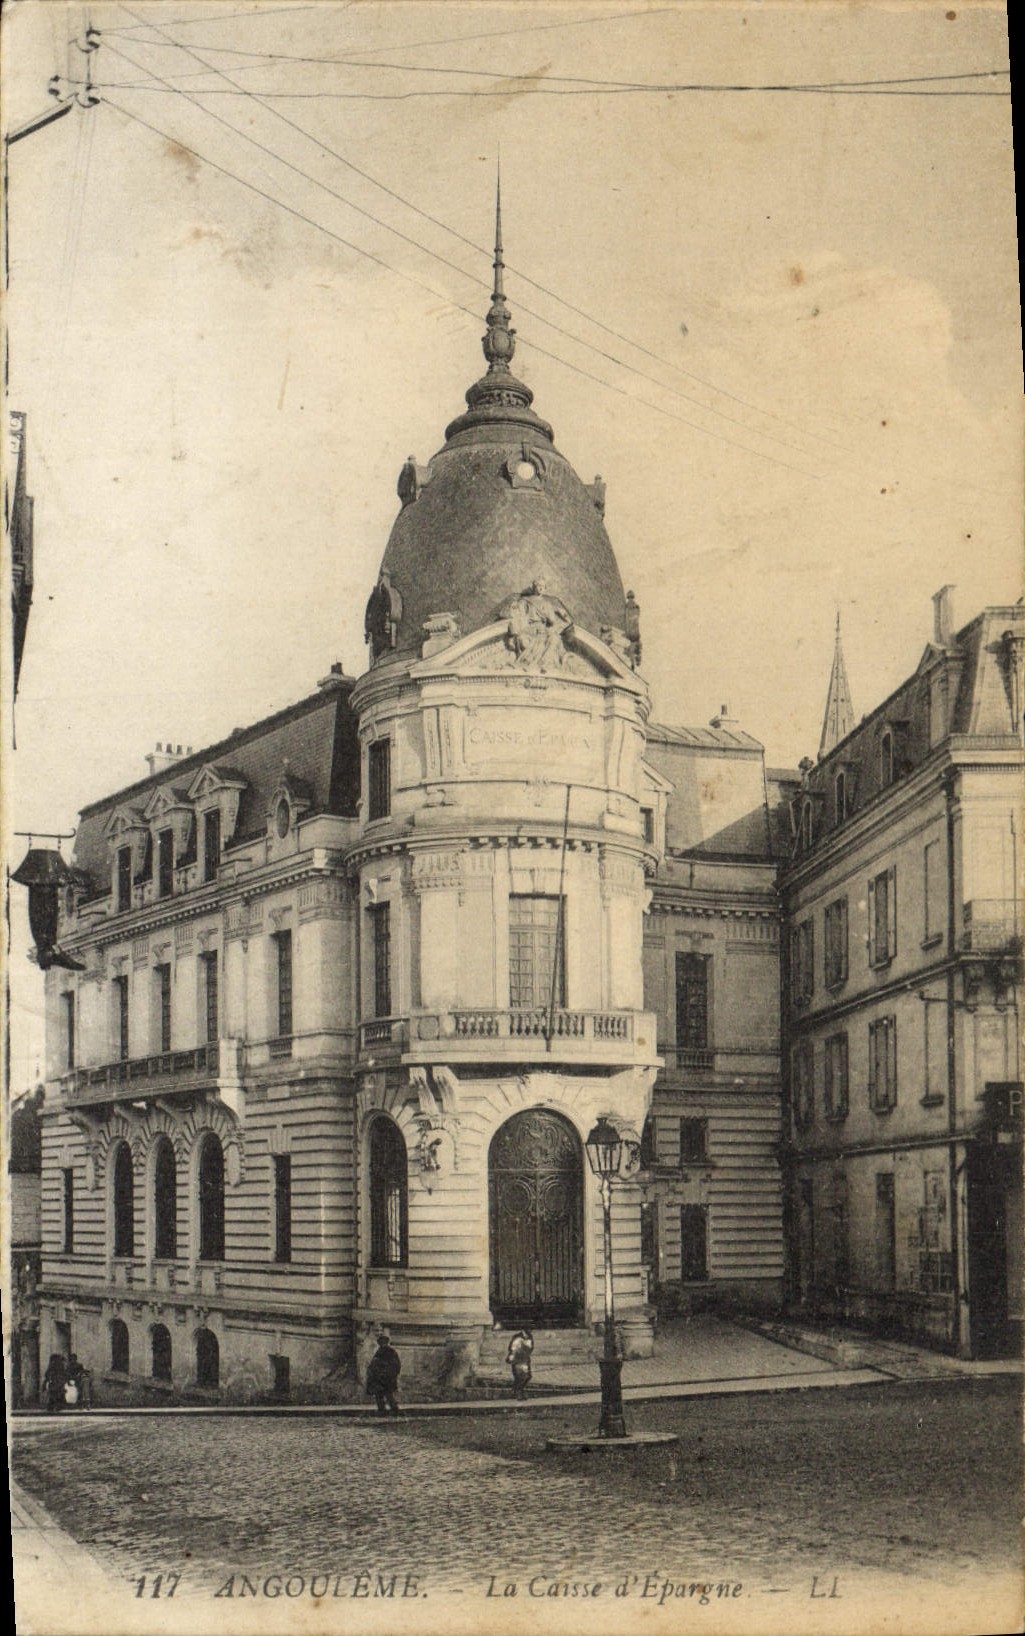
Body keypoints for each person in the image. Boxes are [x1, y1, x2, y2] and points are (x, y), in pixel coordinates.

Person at [366, 1333, 401, 1415]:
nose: (381, 1343)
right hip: (378, 1378)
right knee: (379, 1395)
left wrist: (390, 1375)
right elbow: (374, 1363)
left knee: (388, 1395)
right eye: (380, 1342)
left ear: (386, 1342)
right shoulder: (379, 1351)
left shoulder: (391, 1352)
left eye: (383, 1341)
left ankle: (394, 1409)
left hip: (386, 1378)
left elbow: (395, 1365)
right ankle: (382, 1410)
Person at [506, 1328, 534, 1399]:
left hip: (525, 1359)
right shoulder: (517, 1336)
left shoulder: (530, 1336)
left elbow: (531, 1348)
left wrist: (527, 1349)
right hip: (517, 1359)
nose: (530, 1331)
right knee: (520, 1377)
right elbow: (511, 1348)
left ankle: (515, 1391)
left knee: (528, 1376)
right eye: (529, 1329)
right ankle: (519, 1393)